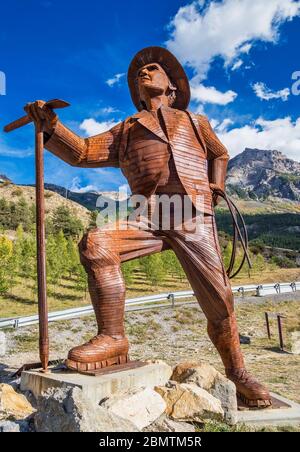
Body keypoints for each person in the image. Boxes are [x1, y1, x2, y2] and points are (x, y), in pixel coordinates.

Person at [25, 47, 271, 407]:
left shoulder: (196, 122)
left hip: (192, 215)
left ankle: (238, 374)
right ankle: (113, 337)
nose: (144, 72)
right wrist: (52, 126)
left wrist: (216, 184)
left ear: (171, 87)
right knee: (97, 242)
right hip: (149, 214)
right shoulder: (126, 129)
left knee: (220, 302)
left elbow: (220, 153)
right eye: (139, 73)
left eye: (153, 69)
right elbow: (81, 152)